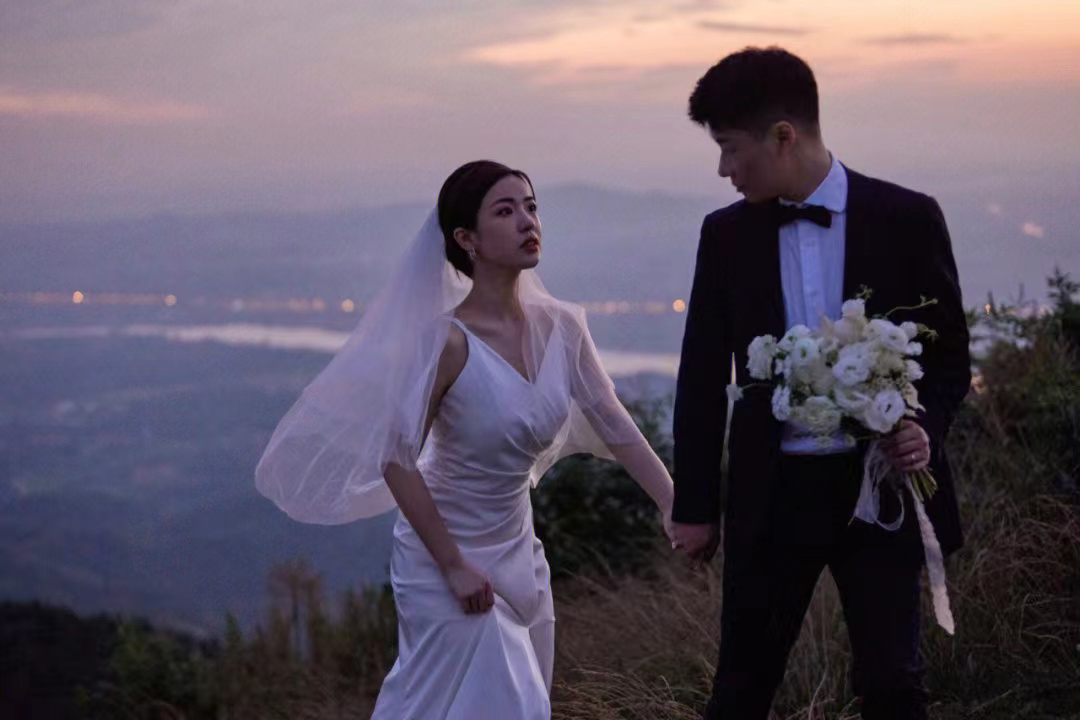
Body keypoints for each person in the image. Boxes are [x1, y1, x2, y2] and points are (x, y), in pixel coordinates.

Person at [256, 160, 675, 719]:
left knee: (519, 701)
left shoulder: (564, 328)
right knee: (505, 703)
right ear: (466, 239)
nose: (527, 221)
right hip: (441, 556)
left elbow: (615, 424)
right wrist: (453, 564)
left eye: (531, 206)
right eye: (505, 211)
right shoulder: (446, 342)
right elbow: (395, 459)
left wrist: (672, 502)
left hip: (517, 550)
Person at [669, 48, 971, 720]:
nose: (723, 169)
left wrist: (924, 427)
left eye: (729, 148)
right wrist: (695, 504)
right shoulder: (724, 236)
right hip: (774, 493)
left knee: (894, 685)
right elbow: (701, 373)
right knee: (742, 689)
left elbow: (949, 355)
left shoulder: (907, 216)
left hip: (878, 487)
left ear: (784, 136)